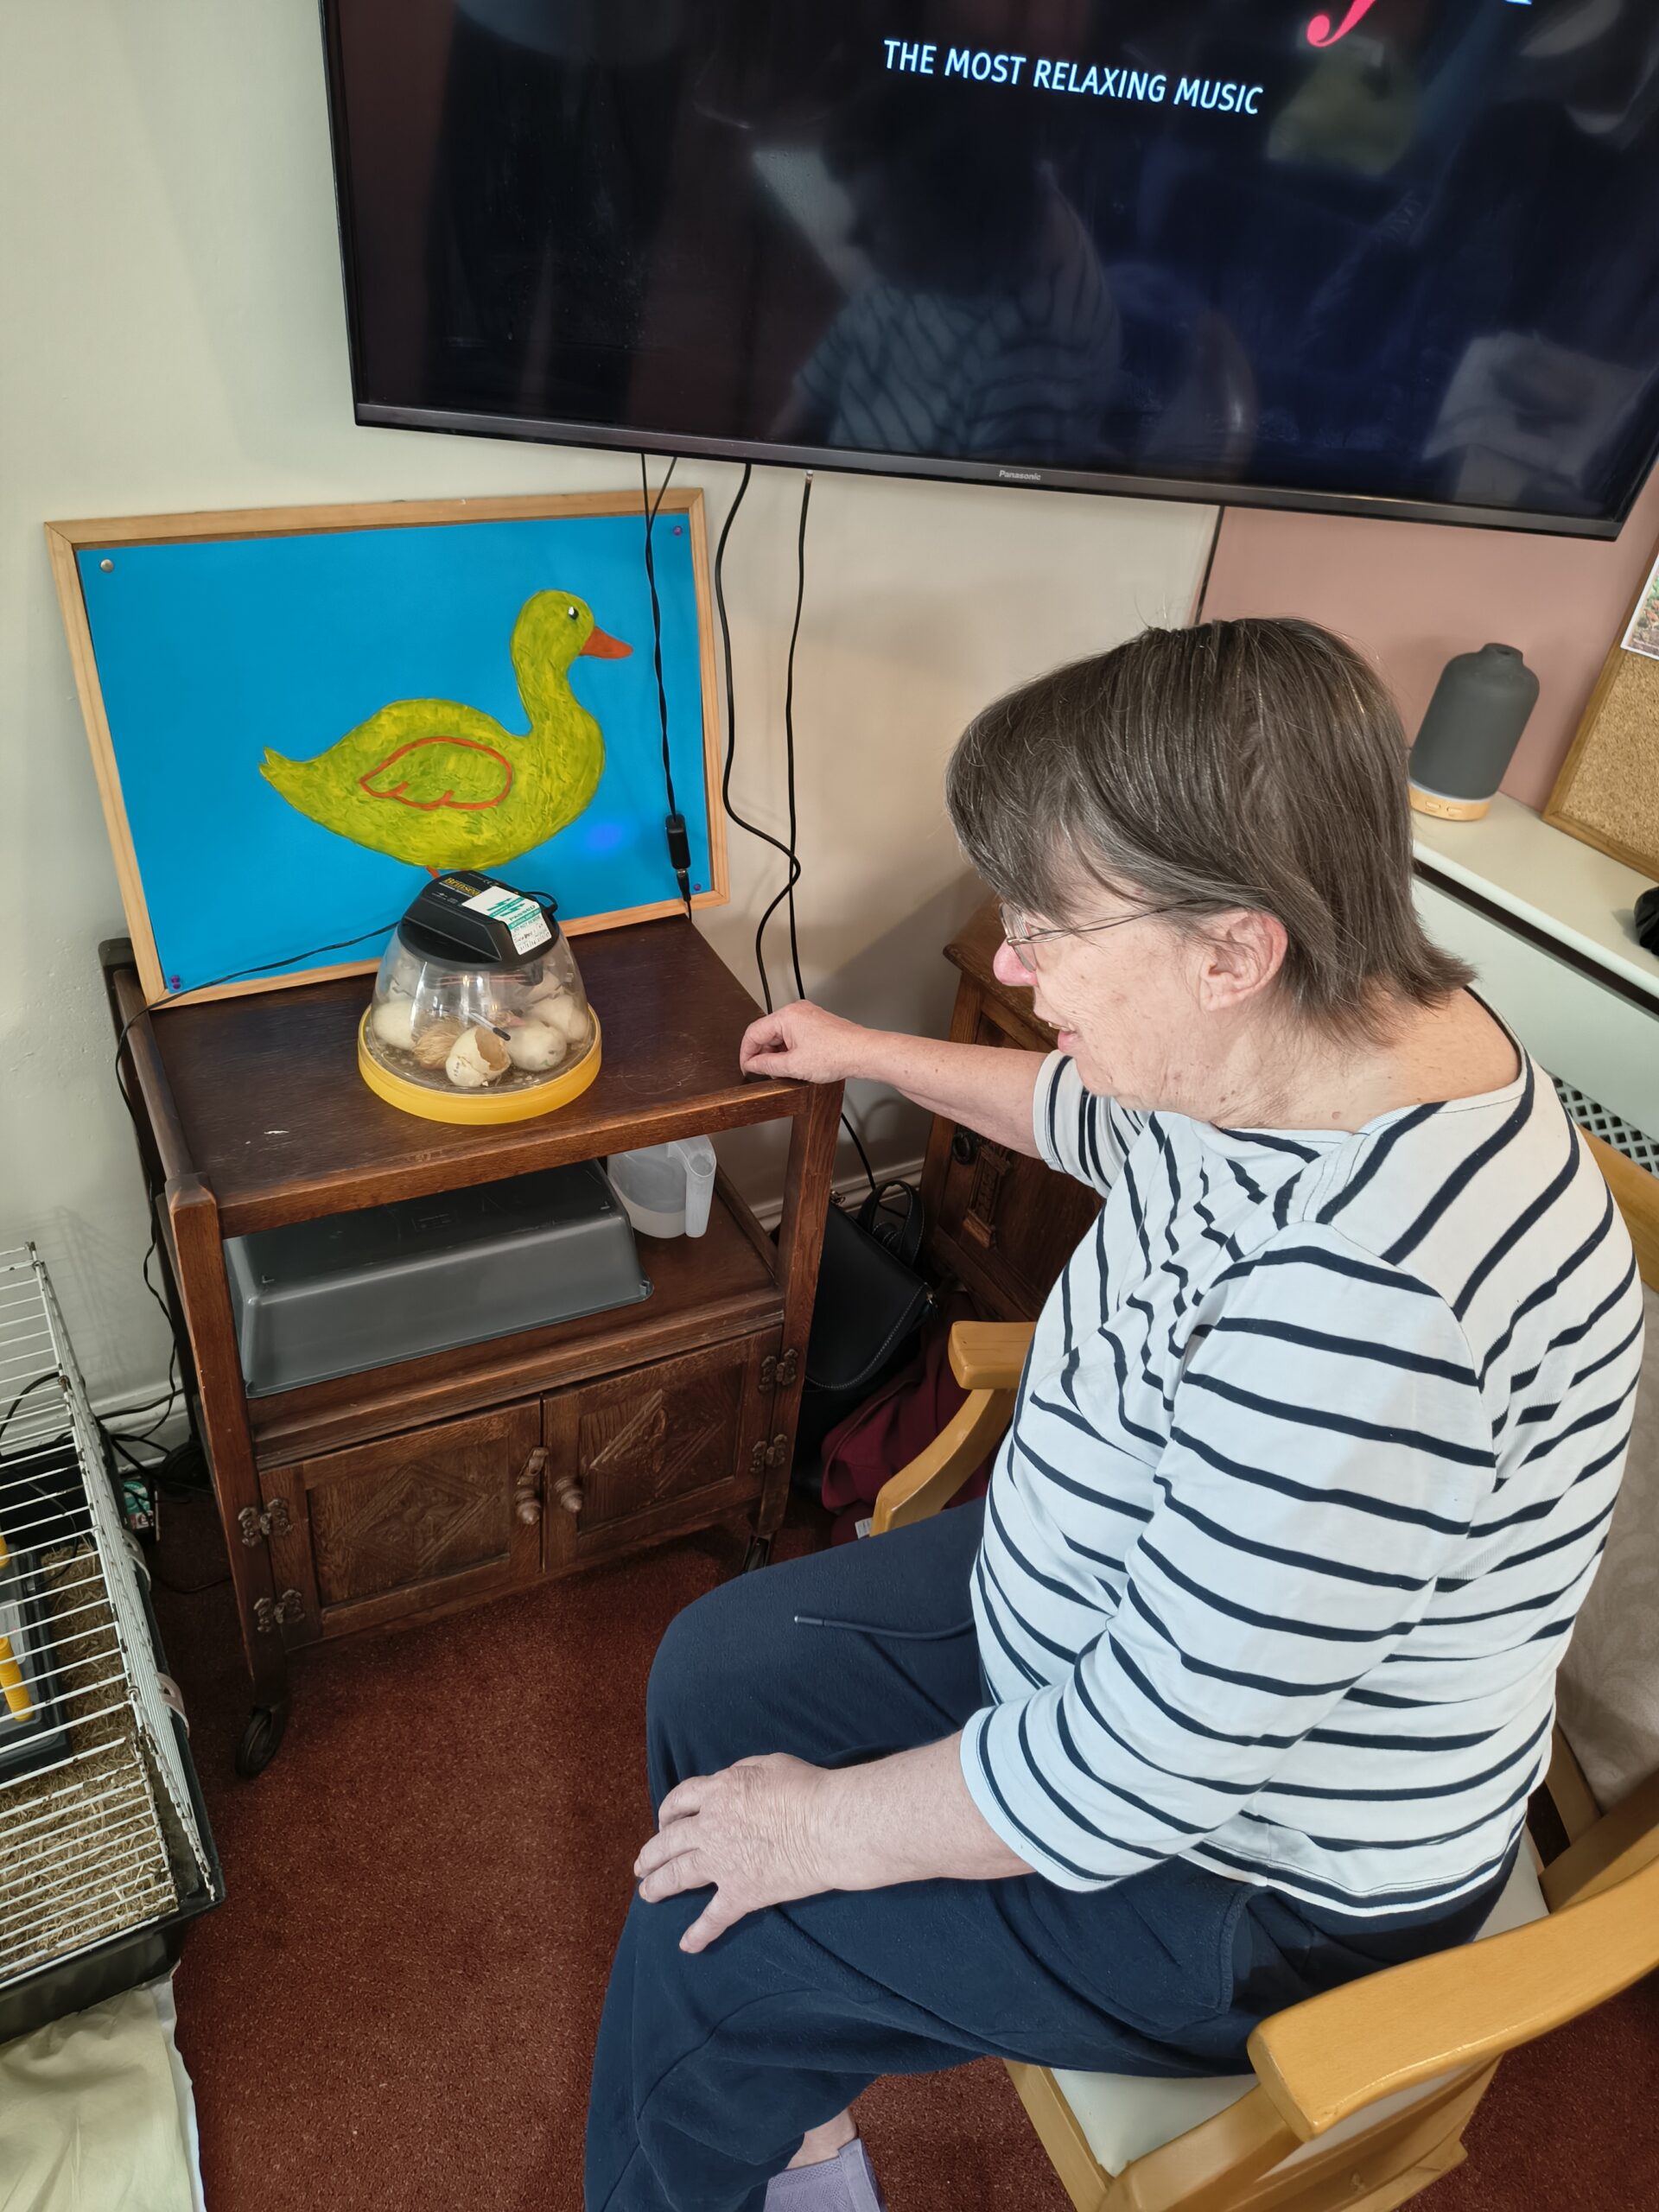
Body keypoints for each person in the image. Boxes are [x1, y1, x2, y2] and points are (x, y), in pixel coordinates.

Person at [584, 617, 1644, 2212]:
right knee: (715, 1669)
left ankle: (745, 2087)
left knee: (712, 1944)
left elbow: (1135, 1773)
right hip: (1110, 1624)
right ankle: (794, 2124)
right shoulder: (1302, 1036)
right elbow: (1098, 1116)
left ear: (1234, 947)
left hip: (1252, 1876)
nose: (1010, 967)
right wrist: (871, 1053)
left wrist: (828, 1833)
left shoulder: (1377, 1317)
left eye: (1046, 929)